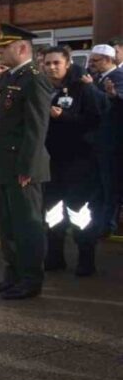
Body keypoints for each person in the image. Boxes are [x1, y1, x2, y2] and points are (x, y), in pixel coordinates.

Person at [0, 24, 53, 300]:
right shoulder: (12, 77)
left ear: (22, 48)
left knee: (28, 225)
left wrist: (27, 167)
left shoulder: (34, 79)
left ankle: (31, 279)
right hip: (4, 164)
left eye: (5, 48)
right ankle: (13, 274)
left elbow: (36, 128)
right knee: (9, 224)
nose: (0, 52)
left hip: (22, 166)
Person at [42, 46, 104, 275]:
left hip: (79, 162)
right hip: (51, 161)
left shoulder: (83, 89)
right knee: (53, 212)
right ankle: (55, 256)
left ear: (67, 63)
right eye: (48, 63)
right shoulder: (44, 88)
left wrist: (65, 117)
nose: (51, 67)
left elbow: (95, 121)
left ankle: (86, 260)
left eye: (56, 63)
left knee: (79, 213)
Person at [85, 44, 123, 236]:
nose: (91, 64)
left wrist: (93, 88)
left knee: (109, 185)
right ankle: (98, 221)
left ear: (108, 60)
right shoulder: (99, 78)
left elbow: (109, 103)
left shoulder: (118, 77)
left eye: (95, 61)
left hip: (111, 141)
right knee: (97, 185)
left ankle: (107, 224)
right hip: (97, 141)